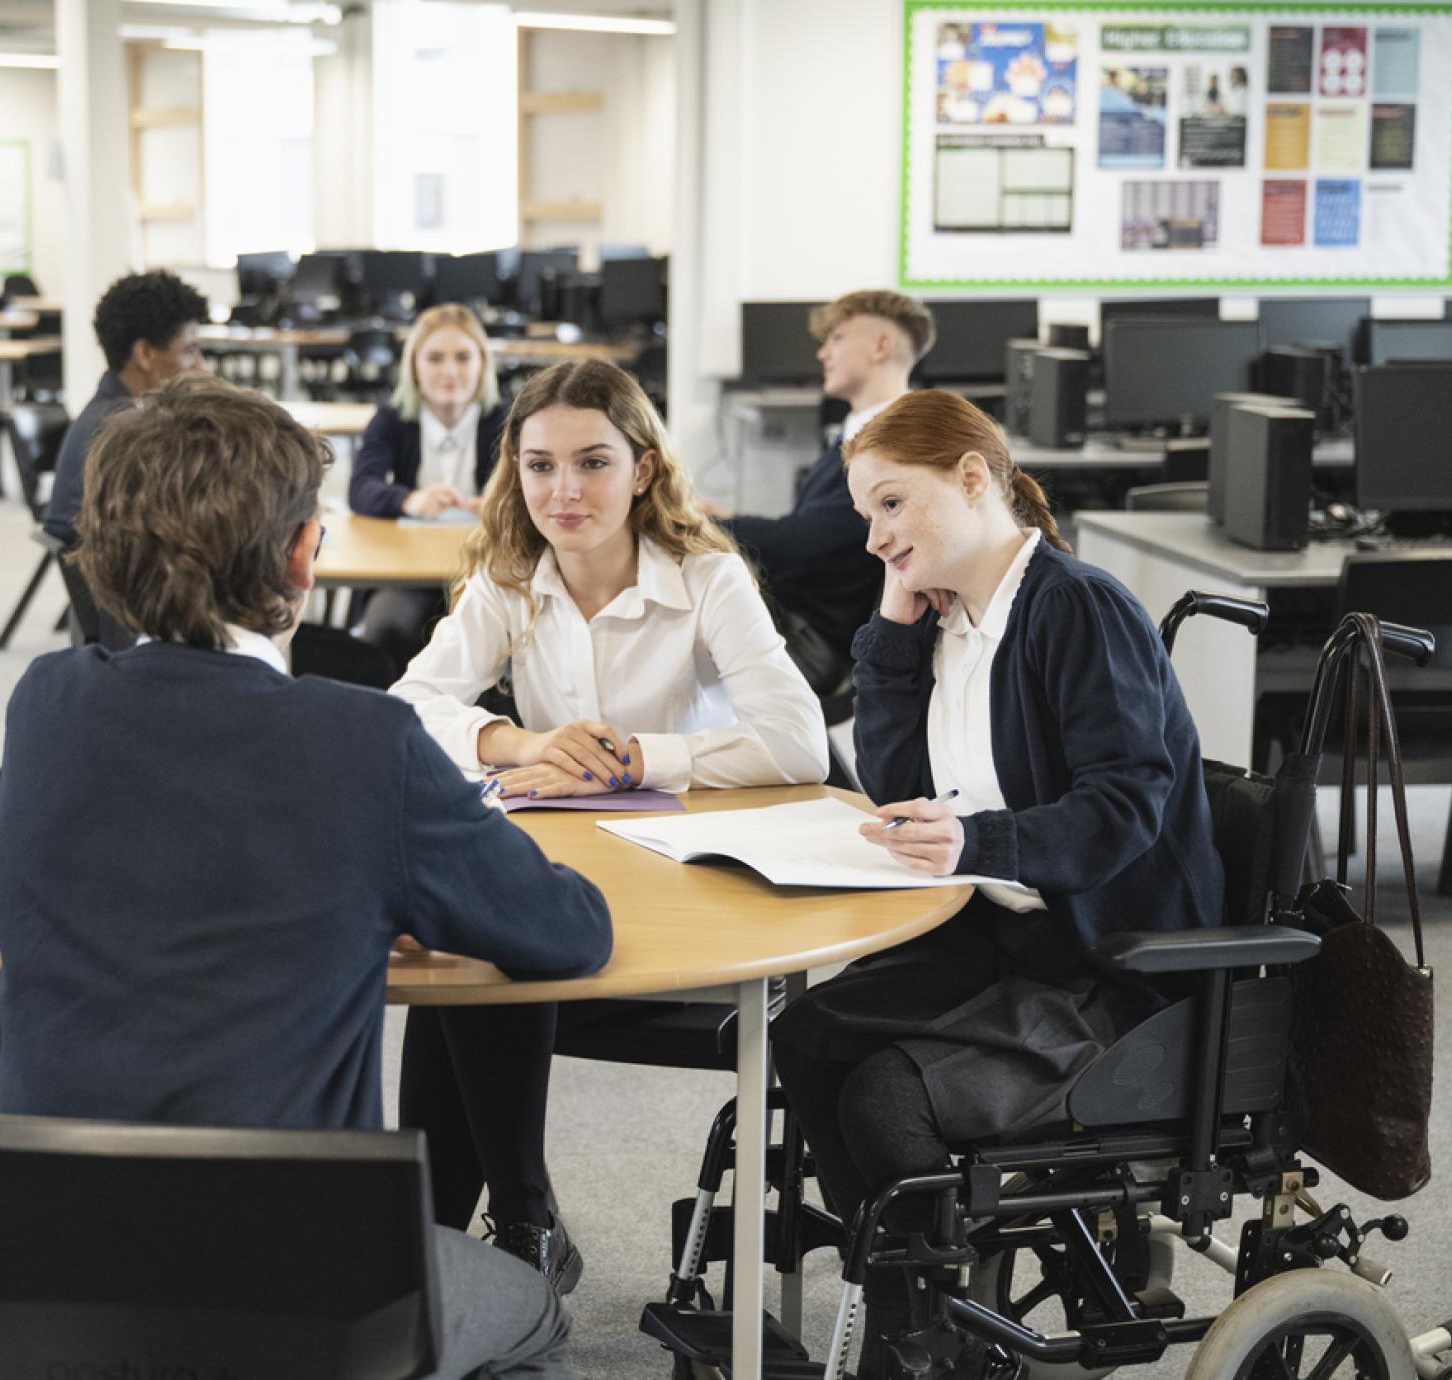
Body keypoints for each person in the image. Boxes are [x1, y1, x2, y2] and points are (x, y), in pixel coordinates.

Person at [0, 373, 610, 1380]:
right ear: (299, 555)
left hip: (49, 1280)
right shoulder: (362, 742)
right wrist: (391, 887)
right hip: (298, 1298)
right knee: (533, 1307)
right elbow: (570, 932)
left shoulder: (43, 704)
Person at [769, 389, 1224, 1377]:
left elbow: (1122, 810)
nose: (873, 537)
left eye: (891, 505)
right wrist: (891, 625)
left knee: (882, 1107)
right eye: (864, 517)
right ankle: (910, 1311)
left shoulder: (1074, 606)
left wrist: (978, 839)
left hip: (1105, 966)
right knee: (794, 1037)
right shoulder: (950, 618)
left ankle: (935, 1340)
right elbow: (895, 792)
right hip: (999, 942)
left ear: (972, 478)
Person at [389, 360, 828, 1288]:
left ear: (643, 471)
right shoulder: (512, 579)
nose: (564, 491)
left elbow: (801, 744)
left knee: (485, 947)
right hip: (566, 873)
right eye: (540, 465)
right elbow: (406, 707)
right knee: (461, 943)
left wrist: (641, 757)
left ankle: (487, 1225)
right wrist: (515, 739)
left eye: (592, 463)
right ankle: (490, 1228)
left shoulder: (708, 579)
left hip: (689, 888)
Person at [712, 290, 937, 702]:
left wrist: (699, 525)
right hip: (800, 618)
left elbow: (805, 545)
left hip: (814, 639)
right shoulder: (859, 433)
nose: (822, 353)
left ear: (880, 345)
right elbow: (820, 530)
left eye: (836, 338)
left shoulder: (892, 446)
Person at [347, 302, 510, 667]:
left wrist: (501, 506)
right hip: (407, 573)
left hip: (486, 571)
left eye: (463, 358)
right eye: (435, 358)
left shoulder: (508, 421)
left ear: (483, 365)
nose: (449, 371)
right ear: (415, 368)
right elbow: (360, 489)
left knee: (495, 637)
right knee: (388, 625)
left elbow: (534, 492)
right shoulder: (390, 419)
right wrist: (409, 501)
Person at [40, 269, 209, 549]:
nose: (201, 366)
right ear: (144, 354)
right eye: (189, 350)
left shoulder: (107, 414)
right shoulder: (125, 435)